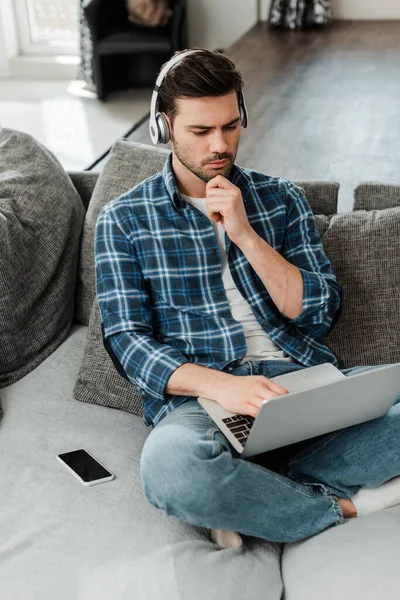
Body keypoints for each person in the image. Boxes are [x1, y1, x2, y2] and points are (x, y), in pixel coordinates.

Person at [95, 48, 400, 548]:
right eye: (200, 131)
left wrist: (245, 235)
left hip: (299, 381)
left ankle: (247, 492)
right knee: (170, 467)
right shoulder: (122, 219)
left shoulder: (280, 198)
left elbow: (318, 312)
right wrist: (223, 387)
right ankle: (341, 505)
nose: (220, 145)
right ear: (164, 126)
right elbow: (127, 342)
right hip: (204, 400)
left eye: (231, 126)